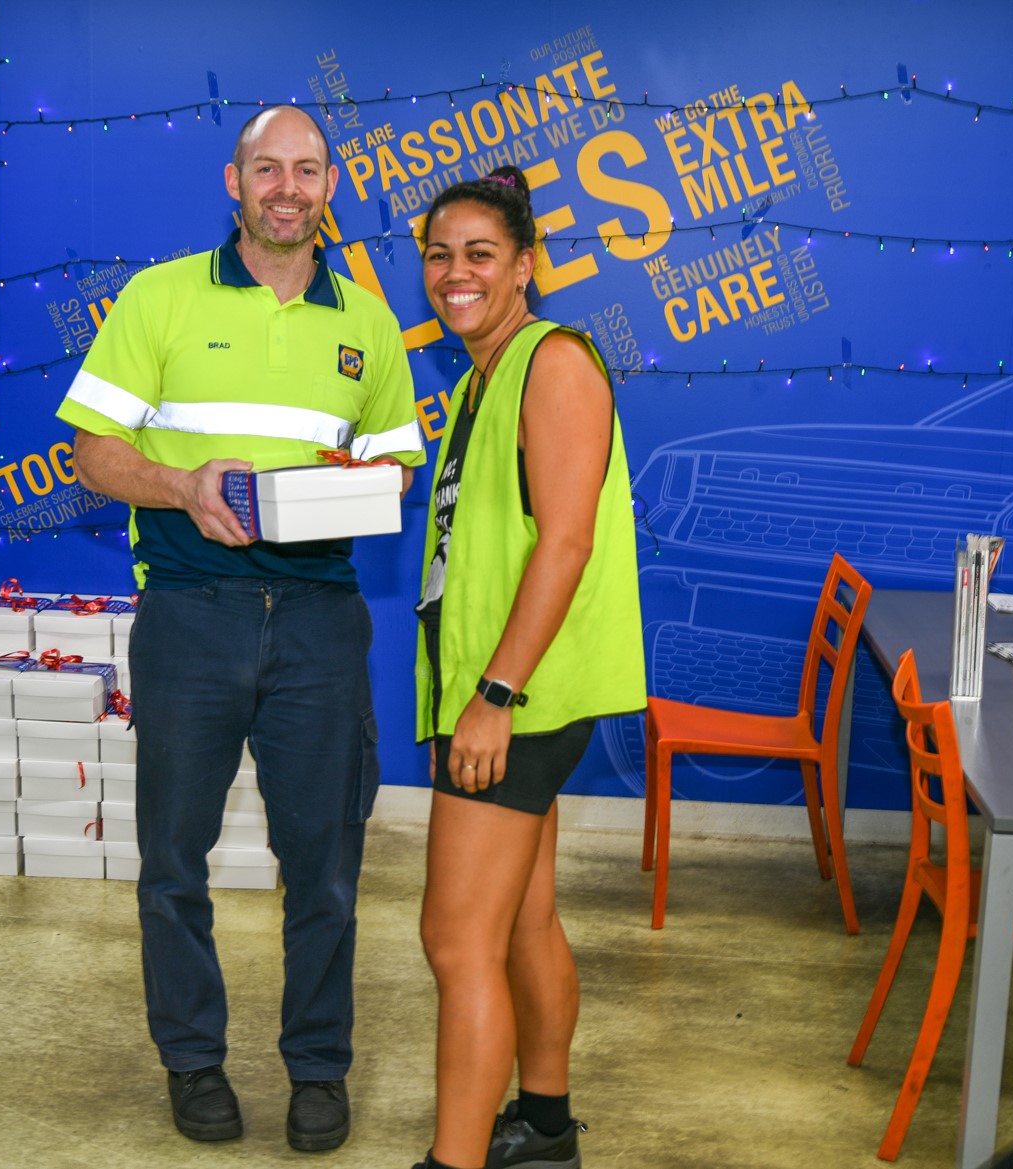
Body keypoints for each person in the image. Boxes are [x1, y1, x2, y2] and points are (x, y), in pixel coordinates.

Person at [56, 104, 425, 1153]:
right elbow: (92, 452)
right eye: (267, 168)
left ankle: (318, 1068)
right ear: (234, 181)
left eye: (306, 170)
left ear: (328, 185)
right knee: (174, 861)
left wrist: (354, 485)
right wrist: (181, 482)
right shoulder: (158, 296)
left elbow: (395, 468)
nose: (286, 188)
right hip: (191, 615)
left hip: (318, 621)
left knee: (327, 868)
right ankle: (193, 1060)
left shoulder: (364, 322)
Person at [409, 166, 647, 1169]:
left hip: (521, 694)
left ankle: (450, 1162)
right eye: (438, 254)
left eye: (478, 254)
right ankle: (543, 1126)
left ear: (525, 266)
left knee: (453, 938)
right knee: (519, 916)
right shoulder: (478, 375)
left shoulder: (552, 363)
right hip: (502, 689)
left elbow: (565, 544)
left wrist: (494, 696)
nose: (454, 273)